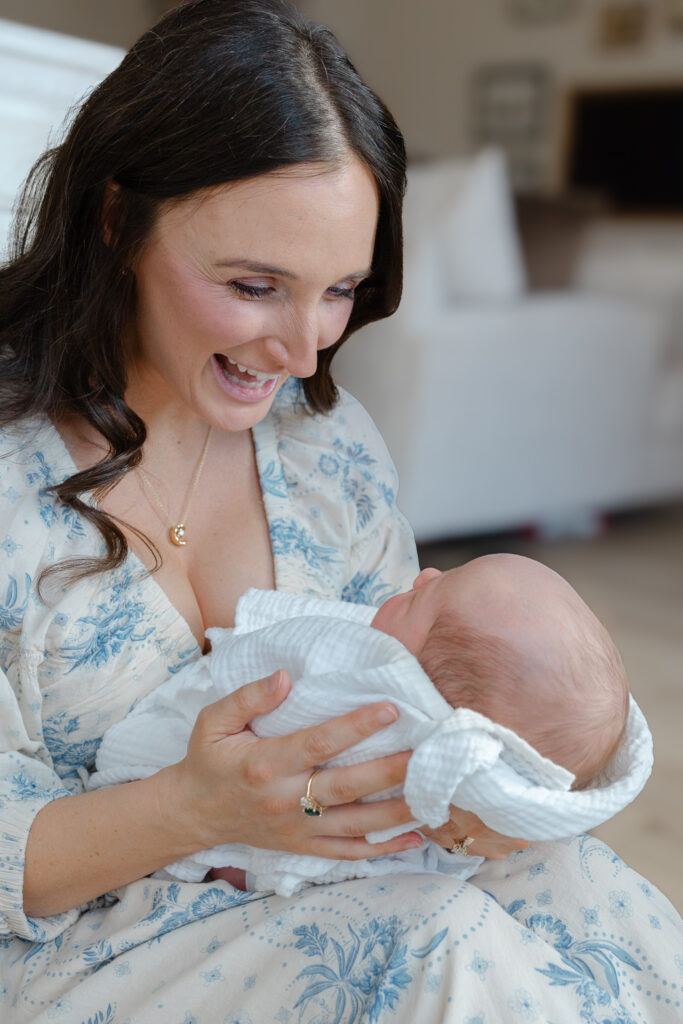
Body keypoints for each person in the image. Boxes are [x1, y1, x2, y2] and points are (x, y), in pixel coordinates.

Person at [0, 2, 680, 1021]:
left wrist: (480, 803)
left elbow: (434, 694)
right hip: (76, 936)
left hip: (316, 873)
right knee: (428, 946)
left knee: (582, 888)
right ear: (114, 218)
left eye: (338, 292)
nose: (302, 349)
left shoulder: (326, 450)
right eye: (254, 284)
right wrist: (193, 808)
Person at [92, 553, 651, 897]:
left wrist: (461, 820)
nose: (423, 572)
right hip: (137, 832)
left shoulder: (391, 709)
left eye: (424, 599)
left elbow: (277, 692)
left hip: (338, 862)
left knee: (583, 880)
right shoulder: (371, 674)